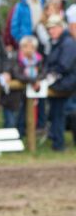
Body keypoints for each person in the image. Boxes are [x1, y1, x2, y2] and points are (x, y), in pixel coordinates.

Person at [44, 14, 76, 151]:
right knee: (56, 113)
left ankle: (59, 143)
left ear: (60, 27)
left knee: (61, 113)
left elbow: (64, 65)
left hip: (66, 84)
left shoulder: (67, 43)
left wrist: (51, 75)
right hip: (59, 83)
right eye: (49, 28)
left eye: (53, 28)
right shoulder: (55, 43)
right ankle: (58, 142)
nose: (51, 31)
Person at [1, 36, 42, 136]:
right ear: (21, 47)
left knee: (22, 120)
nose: (28, 49)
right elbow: (16, 74)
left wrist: (35, 80)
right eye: (25, 46)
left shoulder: (38, 60)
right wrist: (33, 80)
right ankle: (8, 141)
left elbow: (43, 72)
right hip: (12, 96)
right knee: (10, 121)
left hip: (26, 96)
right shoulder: (13, 58)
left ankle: (20, 139)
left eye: (31, 47)